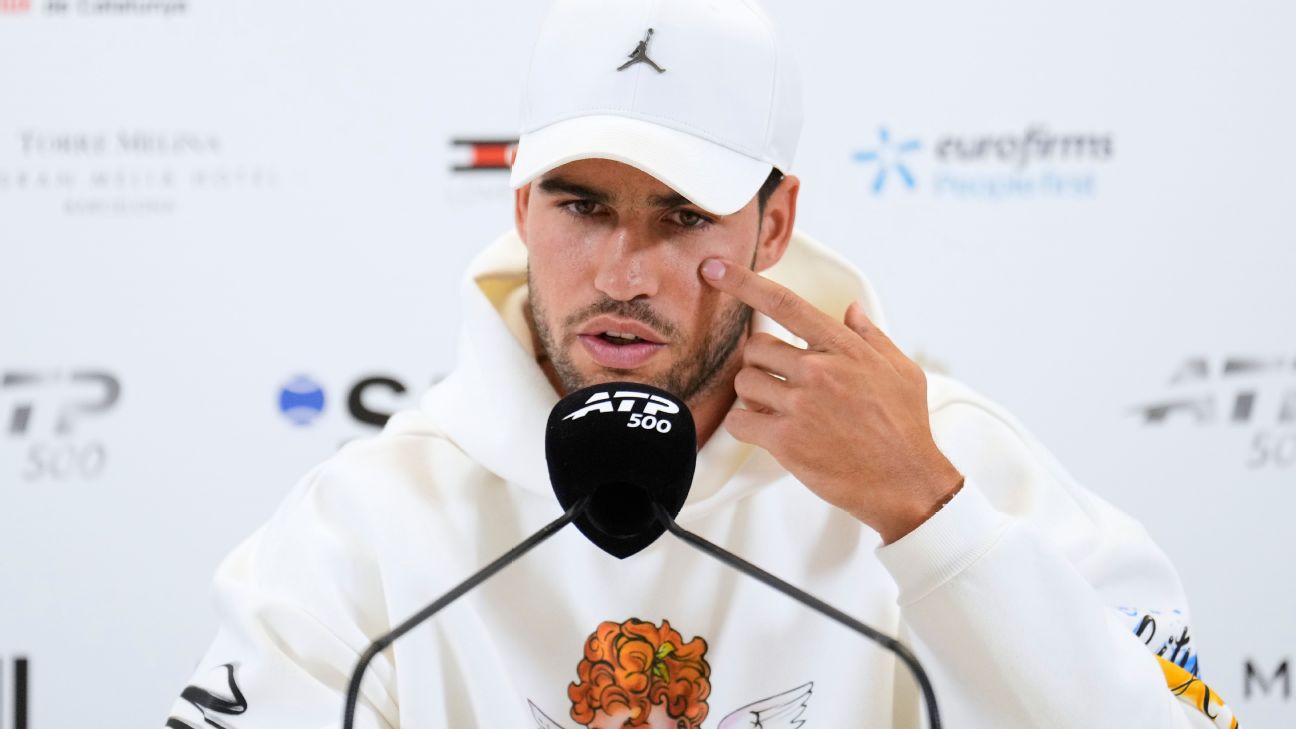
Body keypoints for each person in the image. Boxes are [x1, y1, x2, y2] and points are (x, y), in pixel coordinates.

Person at [165, 1, 1239, 728]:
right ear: (522, 209)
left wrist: (927, 516)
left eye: (682, 216)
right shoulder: (368, 518)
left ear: (776, 224)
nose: (623, 273)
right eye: (582, 206)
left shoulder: (946, 463)